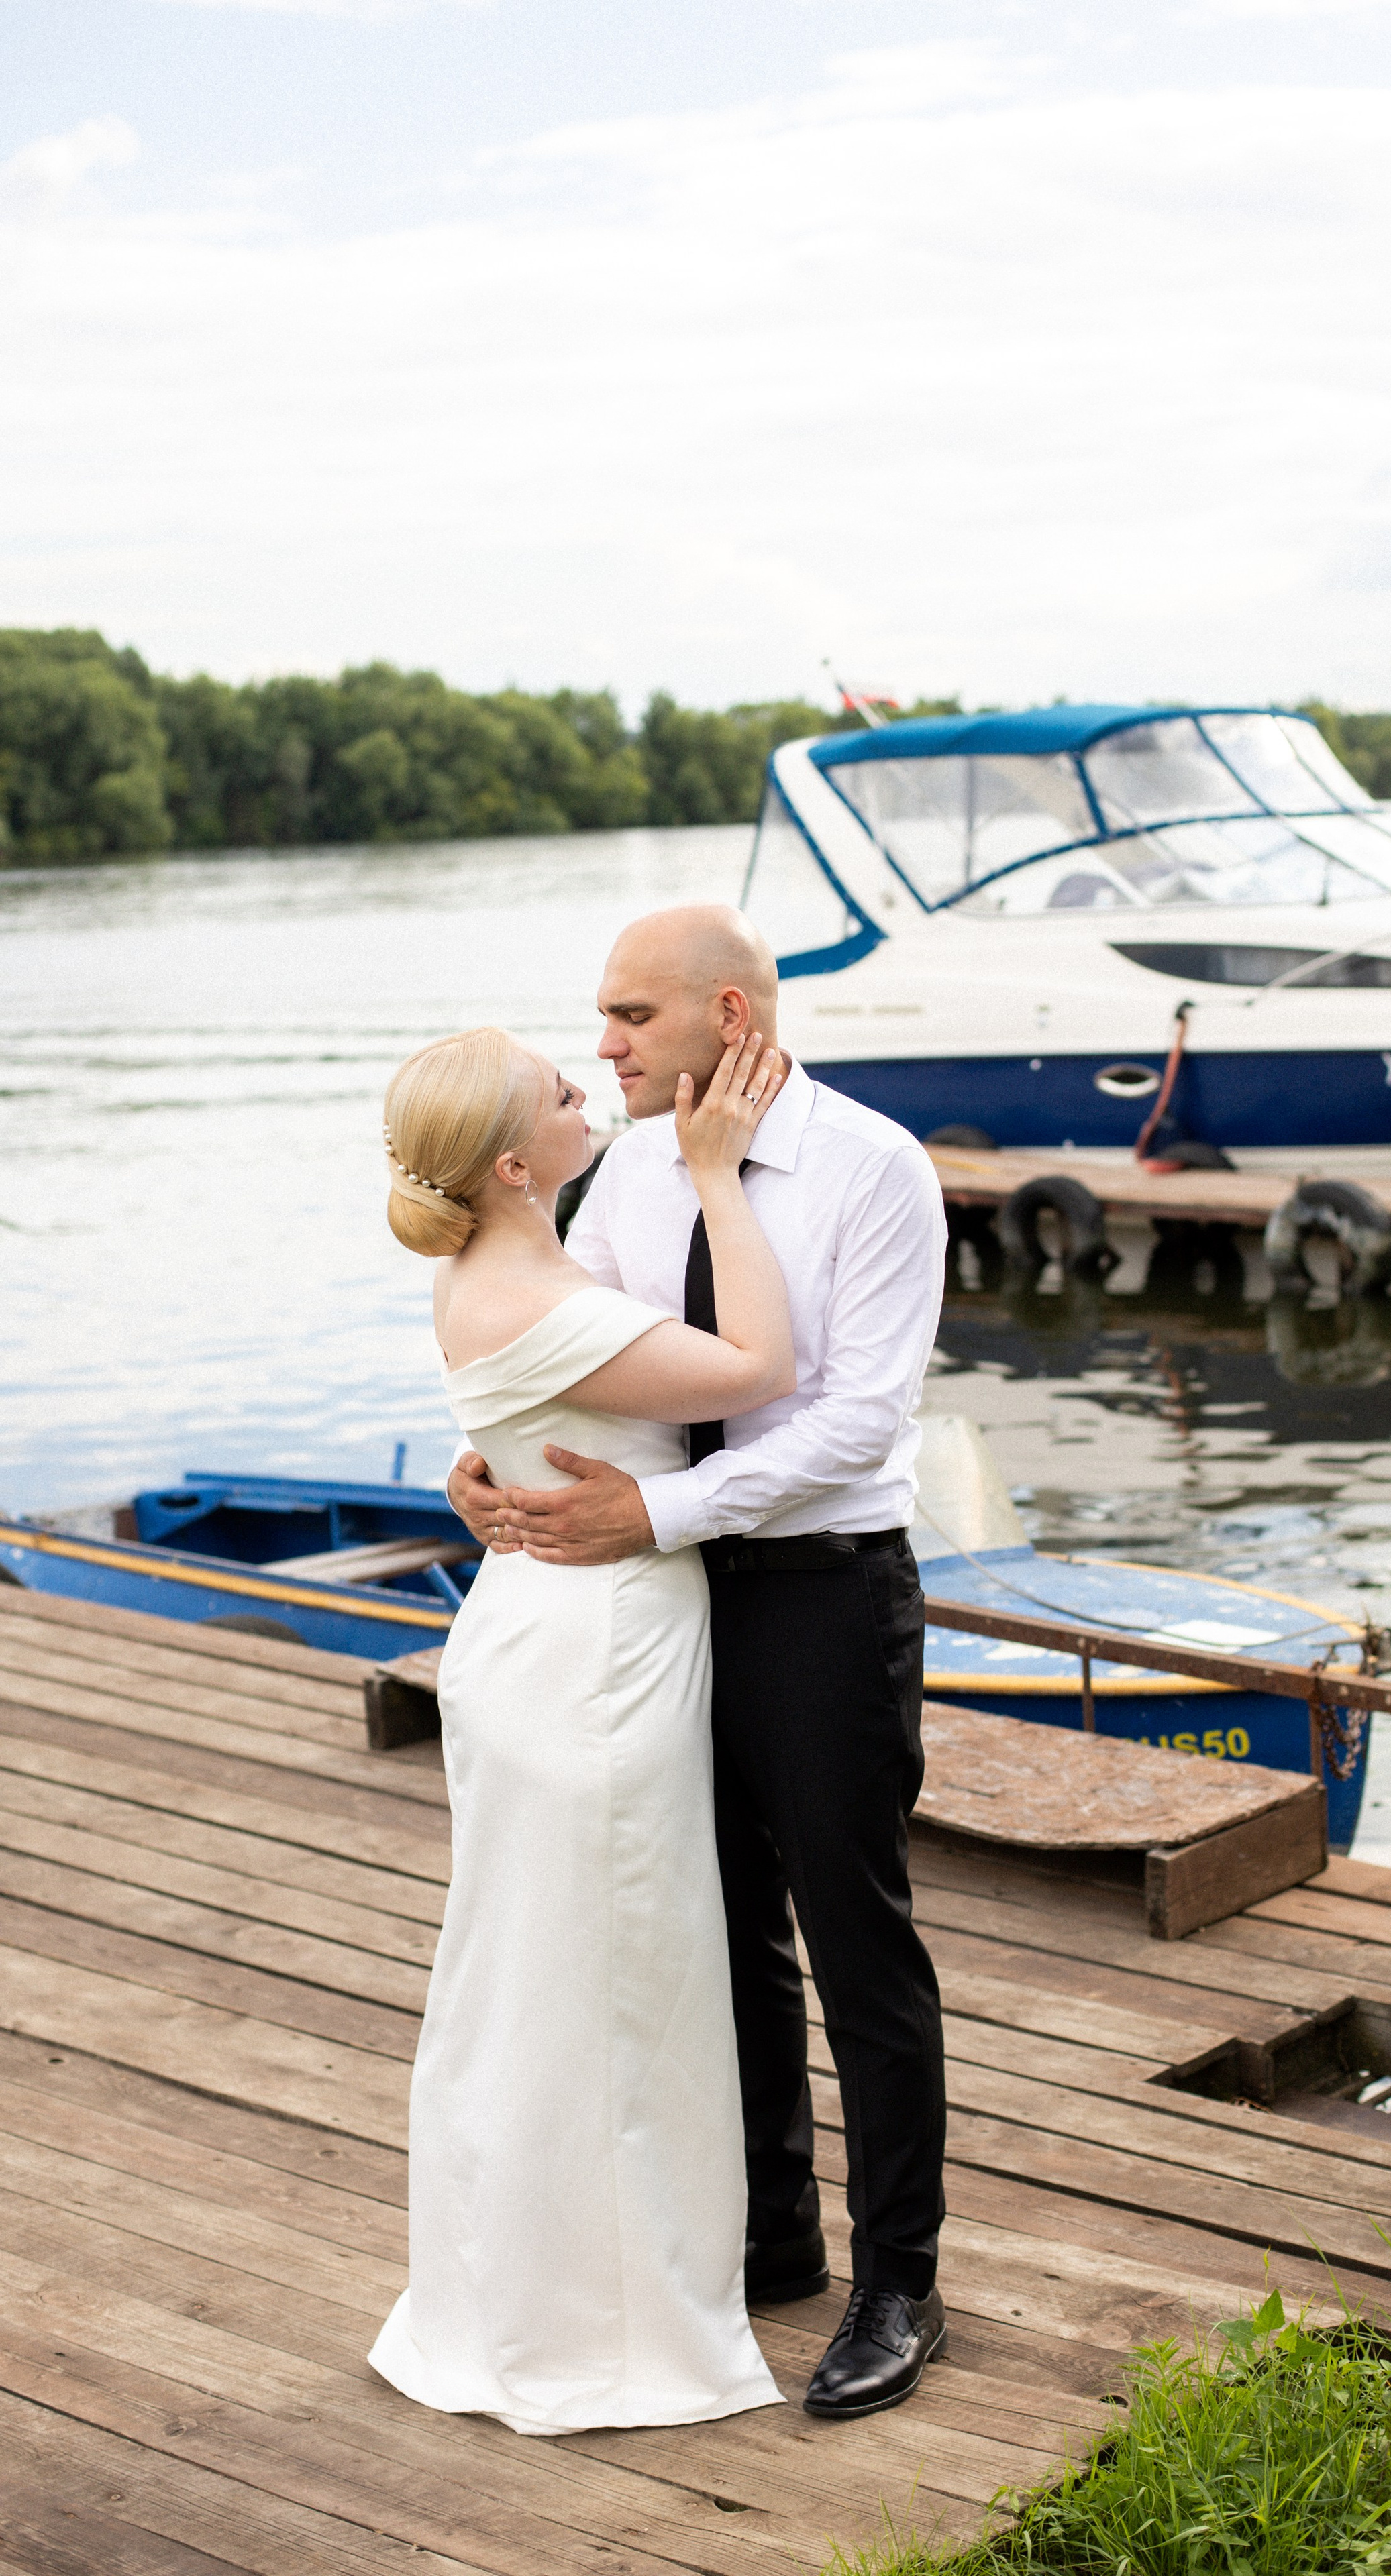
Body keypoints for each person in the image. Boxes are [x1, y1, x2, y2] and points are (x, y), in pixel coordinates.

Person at [447, 906, 951, 2422]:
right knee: (718, 1929)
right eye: (596, 1024)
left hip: (818, 1596)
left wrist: (653, 1511)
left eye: (628, 1019)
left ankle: (899, 2284)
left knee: (856, 1941)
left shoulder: (876, 1167)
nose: (603, 1048)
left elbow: (853, 1417)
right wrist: (484, 1480)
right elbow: (589, 1366)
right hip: (657, 1602)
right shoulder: (628, 1177)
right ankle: (775, 2237)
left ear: (726, 1016)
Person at [368, 1019, 792, 2436]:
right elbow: (756, 1371)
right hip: (595, 1653)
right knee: (615, 1986)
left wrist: (471, 1460)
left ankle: (514, 2297)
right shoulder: (533, 1289)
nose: (585, 1084)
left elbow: (519, 1401)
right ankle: (604, 2330)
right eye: (561, 1092)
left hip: (535, 1631)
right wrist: (720, 1177)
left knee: (536, 1977)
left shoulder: (503, 1270)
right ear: (511, 1161)